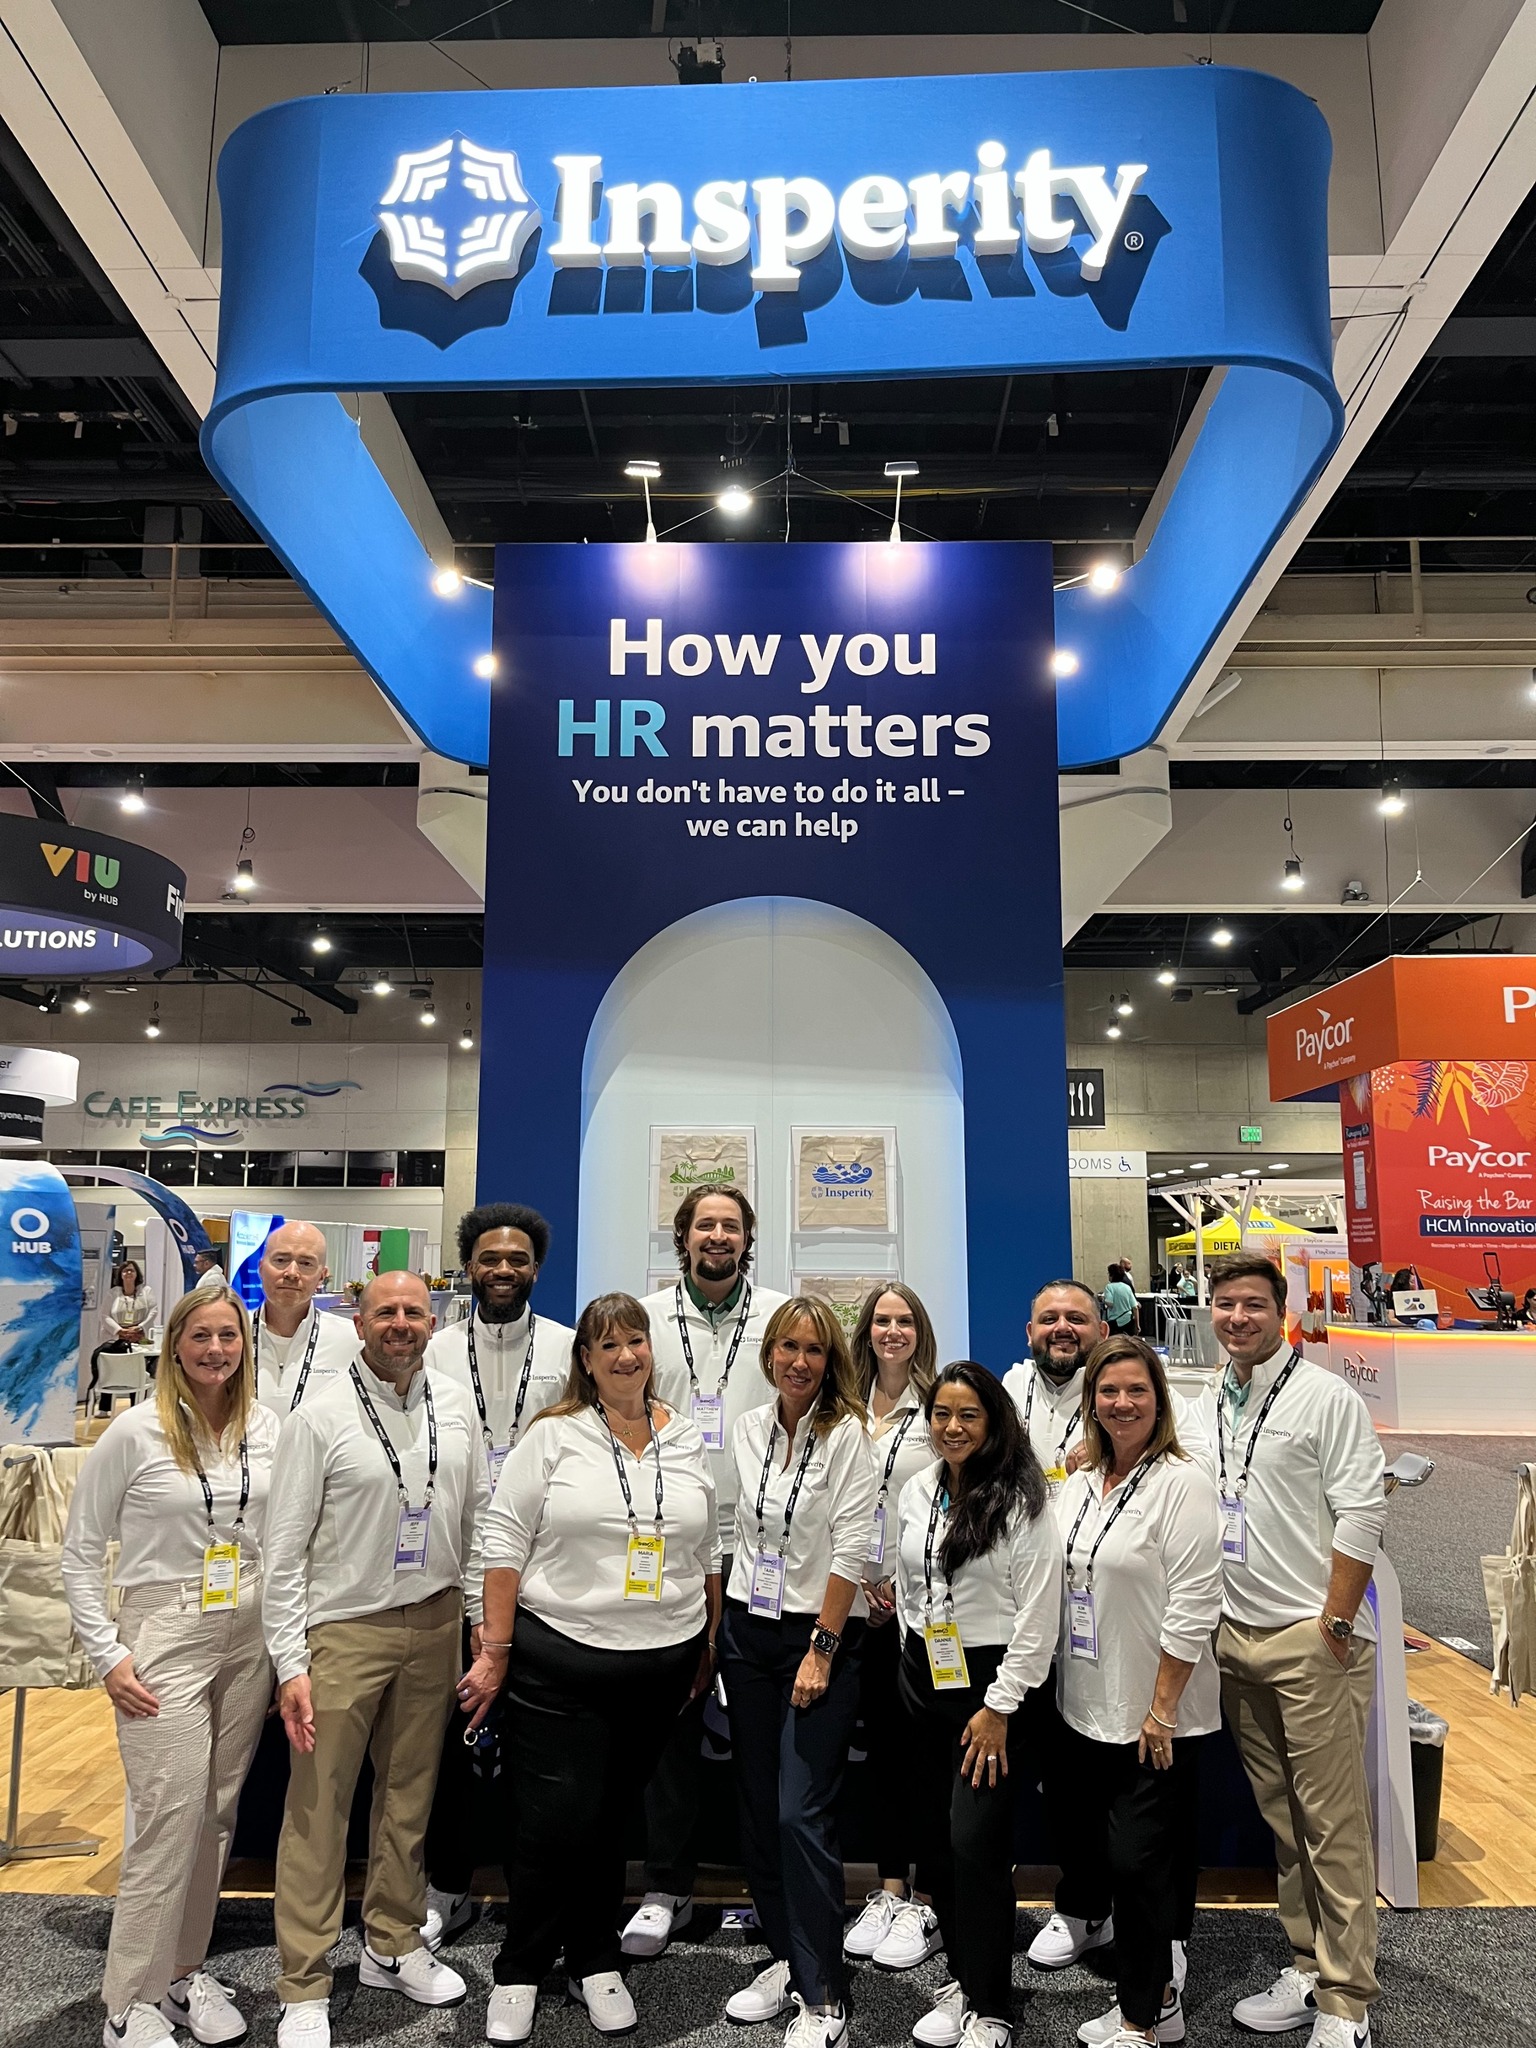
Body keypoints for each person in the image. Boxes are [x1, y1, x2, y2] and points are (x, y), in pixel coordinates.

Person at [455, 1293, 720, 2044]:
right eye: (609, 1346)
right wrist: (494, 1650)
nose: (626, 1356)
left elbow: (707, 1546)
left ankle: (594, 1959)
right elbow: (503, 1542)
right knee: (553, 1821)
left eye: (636, 1341)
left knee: (609, 1821)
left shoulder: (685, 1434)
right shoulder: (554, 1434)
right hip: (561, 1660)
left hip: (662, 1665)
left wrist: (706, 1642)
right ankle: (520, 1967)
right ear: (586, 1360)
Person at [262, 1271, 488, 2048]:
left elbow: (476, 1519)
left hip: (435, 1622)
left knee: (409, 1797)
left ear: (433, 1323)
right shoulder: (318, 1417)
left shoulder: (454, 1404)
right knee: (319, 1809)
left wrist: (481, 1626)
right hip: (343, 1631)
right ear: (357, 1323)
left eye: (414, 1312)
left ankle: (392, 1941)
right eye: (385, 1311)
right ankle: (303, 1980)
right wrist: (290, 1663)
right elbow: (283, 1552)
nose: (400, 1323)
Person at [62, 1284, 278, 2048]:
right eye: (202, 1337)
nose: (217, 1350)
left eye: (229, 1336)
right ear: (175, 1346)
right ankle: (130, 2000)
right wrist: (108, 1652)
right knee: (167, 1816)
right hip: (165, 1629)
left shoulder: (266, 1427)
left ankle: (183, 1974)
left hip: (248, 1628)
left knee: (217, 1815)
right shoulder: (136, 1431)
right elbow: (80, 1551)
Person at [1207, 1253, 1387, 2048]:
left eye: (1252, 1304)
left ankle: (1348, 2003)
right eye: (1225, 1303)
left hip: (1312, 1640)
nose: (1237, 1317)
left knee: (1332, 1827)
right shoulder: (1212, 1398)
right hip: (1237, 1638)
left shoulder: (1324, 1397)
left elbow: (1363, 1512)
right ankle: (1309, 1966)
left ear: (1280, 1311)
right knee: (1285, 1820)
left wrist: (1335, 1625)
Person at [627, 1185, 785, 1957]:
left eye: (730, 1225)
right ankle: (666, 1887)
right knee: (670, 1724)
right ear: (683, 1237)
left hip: (763, 1549)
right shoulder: (646, 1318)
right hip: (670, 1540)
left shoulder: (781, 1317)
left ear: (748, 1238)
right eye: (704, 1225)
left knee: (764, 1730)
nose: (717, 1236)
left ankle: (775, 1887)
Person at [1051, 1337, 1223, 2048]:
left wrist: (1162, 1708)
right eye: (1109, 1391)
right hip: (1087, 1706)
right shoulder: (1081, 1481)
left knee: (1141, 1866)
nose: (1122, 1403)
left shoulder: (1183, 1483)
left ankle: (1139, 2021)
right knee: (1118, 1863)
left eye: (1137, 1391)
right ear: (1091, 1400)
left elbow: (1195, 1603)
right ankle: (1161, 2001)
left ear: (1160, 1400)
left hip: (1155, 1713)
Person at [716, 1295, 876, 2048]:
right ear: (769, 1354)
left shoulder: (847, 1436)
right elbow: (736, 1530)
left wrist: (823, 1646)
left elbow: (852, 1546)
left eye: (814, 1350)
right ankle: (787, 1957)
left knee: (798, 1812)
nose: (800, 1362)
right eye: (788, 1347)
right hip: (748, 1633)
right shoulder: (748, 1429)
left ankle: (825, 1994)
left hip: (818, 1639)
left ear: (830, 1359)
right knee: (756, 1807)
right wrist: (719, 1631)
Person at [420, 1202, 575, 1949]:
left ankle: (537, 1900)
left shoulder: (569, 1348)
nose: (504, 1270)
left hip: (544, 1579)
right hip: (452, 1569)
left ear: (536, 1268)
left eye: (517, 1259)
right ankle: (447, 1888)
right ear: (470, 1267)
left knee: (539, 1756)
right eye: (490, 1258)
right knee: (449, 1748)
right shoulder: (435, 1350)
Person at [896, 1364, 1061, 2048]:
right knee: (937, 1847)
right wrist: (911, 1646)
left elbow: (1038, 1619)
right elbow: (910, 1581)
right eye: (942, 1414)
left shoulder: (1022, 1500)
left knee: (976, 1847)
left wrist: (999, 1707)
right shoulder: (918, 1488)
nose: (953, 1427)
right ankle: (965, 1979)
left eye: (969, 1415)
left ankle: (992, 2007)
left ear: (994, 1421)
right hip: (926, 1680)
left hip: (994, 1695)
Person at [843, 1283, 943, 1969]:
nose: (892, 1331)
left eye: (905, 1320)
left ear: (920, 1332)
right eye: (882, 1320)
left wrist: (901, 1587)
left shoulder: (939, 1405)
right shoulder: (841, 1405)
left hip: (918, 1610)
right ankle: (888, 1889)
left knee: (925, 1756)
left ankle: (927, 1898)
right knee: (880, 1757)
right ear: (866, 1331)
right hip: (851, 1603)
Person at [253, 1222, 355, 1416]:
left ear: (322, 1277)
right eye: (281, 1260)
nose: (291, 1273)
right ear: (261, 1268)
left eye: (306, 1263)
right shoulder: (232, 1335)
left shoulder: (351, 1340)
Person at [1103, 1266, 1138, 1338]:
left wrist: (1103, 1299)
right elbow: (1135, 1307)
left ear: (1112, 1275)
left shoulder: (1109, 1287)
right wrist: (1137, 1325)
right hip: (1128, 1320)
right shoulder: (1127, 1287)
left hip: (1114, 1322)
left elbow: (1110, 1303)